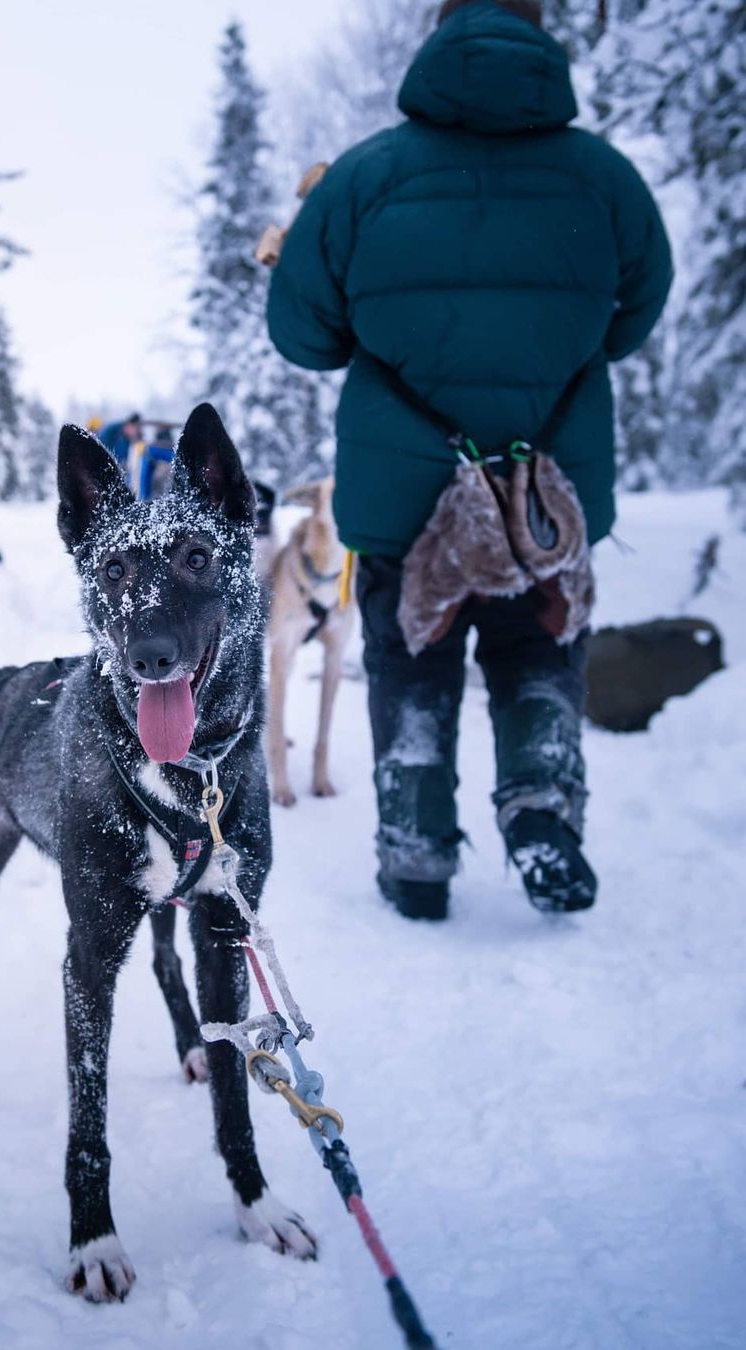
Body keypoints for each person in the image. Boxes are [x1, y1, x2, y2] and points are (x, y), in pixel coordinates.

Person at [266, 0, 672, 921]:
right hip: (550, 486)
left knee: (414, 655)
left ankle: (415, 858)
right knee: (536, 647)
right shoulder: (604, 179)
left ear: (437, 43)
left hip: (405, 486)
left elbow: (301, 332)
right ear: (541, 39)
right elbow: (638, 312)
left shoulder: (366, 177)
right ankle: (539, 800)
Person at [97, 412, 143, 478]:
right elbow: (99, 443)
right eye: (136, 429)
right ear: (129, 425)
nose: (137, 432)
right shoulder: (111, 430)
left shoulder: (131, 440)